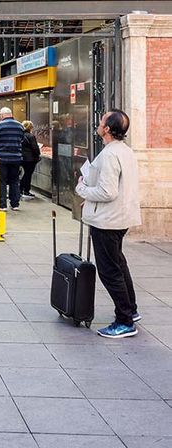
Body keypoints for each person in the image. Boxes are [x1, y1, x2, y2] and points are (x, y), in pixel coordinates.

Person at [75, 110, 142, 339]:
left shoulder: (110, 154)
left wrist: (82, 188)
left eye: (102, 120)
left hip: (108, 221)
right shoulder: (125, 151)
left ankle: (124, 320)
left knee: (110, 271)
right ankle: (130, 311)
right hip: (120, 217)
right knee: (119, 265)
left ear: (107, 129)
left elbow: (107, 191)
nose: (99, 121)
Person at [0, 106, 24, 211]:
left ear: (2, 115)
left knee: (2, 181)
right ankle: (15, 204)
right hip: (16, 158)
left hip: (2, 158)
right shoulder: (20, 126)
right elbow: (21, 140)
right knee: (15, 181)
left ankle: (2, 205)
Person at [20, 120, 41, 200]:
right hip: (31, 159)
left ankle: (21, 189)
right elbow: (35, 147)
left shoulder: (21, 135)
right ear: (30, 127)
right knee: (28, 174)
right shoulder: (31, 136)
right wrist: (38, 154)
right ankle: (25, 190)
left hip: (22, 158)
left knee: (26, 174)